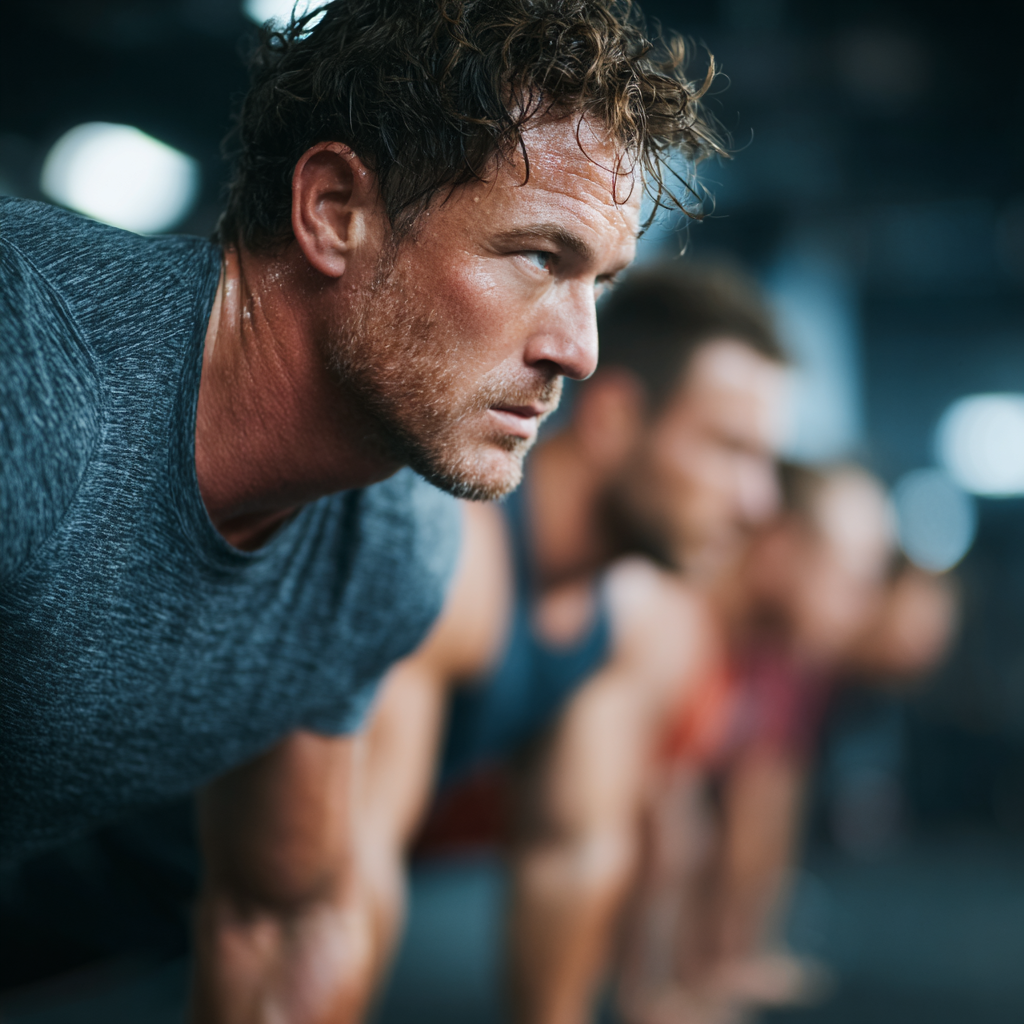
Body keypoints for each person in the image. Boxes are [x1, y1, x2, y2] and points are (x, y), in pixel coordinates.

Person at [0, 0, 718, 1016]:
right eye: (535, 256)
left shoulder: (392, 542)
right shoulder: (34, 379)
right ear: (335, 210)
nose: (580, 349)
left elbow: (277, 913)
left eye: (596, 282)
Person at [358, 263, 790, 1024]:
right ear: (616, 418)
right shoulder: (453, 558)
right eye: (730, 449)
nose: (760, 503)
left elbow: (570, 858)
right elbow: (329, 894)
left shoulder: (640, 621)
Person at [619, 465, 902, 1024]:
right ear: (778, 551)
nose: (866, 610)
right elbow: (660, 834)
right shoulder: (676, 623)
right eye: (853, 579)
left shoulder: (760, 659)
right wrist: (652, 999)